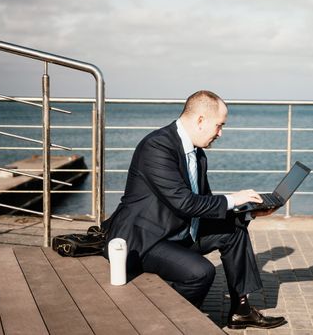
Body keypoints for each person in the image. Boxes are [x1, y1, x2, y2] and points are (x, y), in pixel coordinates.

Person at [101, 90, 286, 329]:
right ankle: (168, 323)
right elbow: (184, 202)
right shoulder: (157, 146)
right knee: (200, 273)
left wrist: (249, 212)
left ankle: (241, 311)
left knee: (235, 230)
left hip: (176, 231)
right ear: (200, 120)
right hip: (145, 239)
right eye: (219, 126)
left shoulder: (197, 154)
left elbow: (204, 204)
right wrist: (233, 198)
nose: (221, 133)